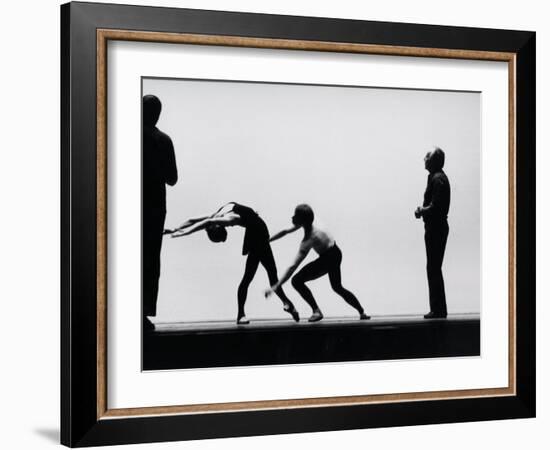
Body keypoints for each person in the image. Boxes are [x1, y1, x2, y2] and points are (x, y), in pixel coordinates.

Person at [167, 202, 300, 325]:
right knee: (262, 277)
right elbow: (194, 220)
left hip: (259, 235)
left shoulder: (227, 218)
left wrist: (185, 232)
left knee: (260, 277)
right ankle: (285, 304)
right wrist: (176, 229)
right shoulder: (218, 215)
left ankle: (283, 305)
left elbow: (203, 222)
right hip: (256, 236)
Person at [265, 204, 369, 322]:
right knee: (337, 287)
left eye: (295, 216)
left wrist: (276, 286)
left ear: (302, 221)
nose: (292, 217)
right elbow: (286, 231)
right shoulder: (312, 221)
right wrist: (268, 240)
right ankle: (362, 312)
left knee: (296, 281)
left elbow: (292, 267)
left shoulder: (310, 239)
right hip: (336, 252)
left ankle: (316, 311)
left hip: (329, 258)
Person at [142, 95, 178, 332]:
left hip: (130, 204)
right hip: (155, 207)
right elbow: (172, 179)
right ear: (158, 114)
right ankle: (142, 313)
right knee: (150, 259)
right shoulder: (163, 140)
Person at [415, 147, 451, 319]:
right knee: (434, 267)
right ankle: (438, 309)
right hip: (436, 228)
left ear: (435, 160)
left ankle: (438, 310)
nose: (424, 158)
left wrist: (422, 210)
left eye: (427, 156)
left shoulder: (438, 179)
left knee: (433, 268)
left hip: (436, 229)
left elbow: (436, 207)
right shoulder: (436, 178)